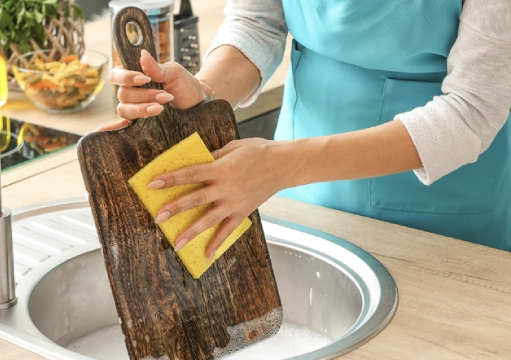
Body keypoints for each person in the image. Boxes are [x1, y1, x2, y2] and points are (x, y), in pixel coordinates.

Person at [103, 0, 511, 259]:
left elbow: (472, 110)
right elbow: (257, 22)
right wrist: (204, 92)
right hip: (294, 192)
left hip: (443, 215)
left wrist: (285, 165)